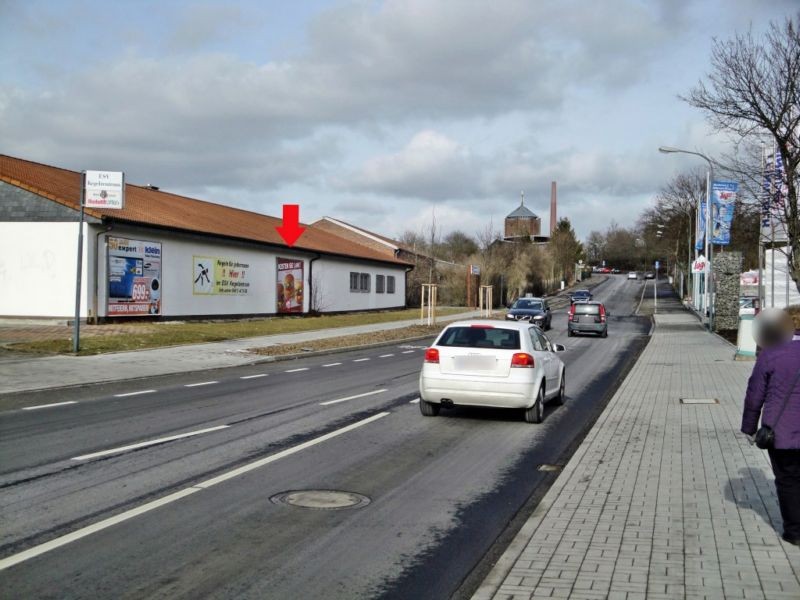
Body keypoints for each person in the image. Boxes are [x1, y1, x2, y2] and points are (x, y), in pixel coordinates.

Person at [741, 305, 800, 546]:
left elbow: (755, 393)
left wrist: (749, 427)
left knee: (787, 480)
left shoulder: (772, 352)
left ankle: (794, 532)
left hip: (781, 432)